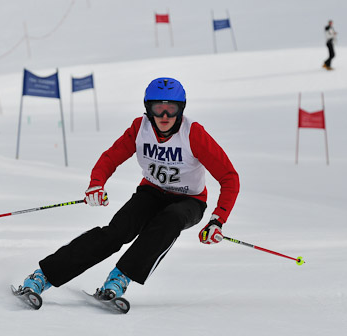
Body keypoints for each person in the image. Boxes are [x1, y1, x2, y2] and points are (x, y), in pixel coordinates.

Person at [17, 77, 240, 306]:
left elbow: (229, 177)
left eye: (171, 108)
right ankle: (42, 276)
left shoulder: (193, 134)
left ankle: (119, 278)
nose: (164, 116)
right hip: (151, 193)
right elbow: (111, 157)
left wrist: (217, 220)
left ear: (181, 109)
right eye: (158, 108)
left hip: (189, 200)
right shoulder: (139, 128)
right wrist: (96, 183)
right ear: (148, 108)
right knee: (115, 233)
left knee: (169, 221)